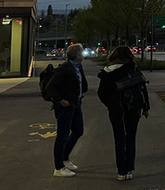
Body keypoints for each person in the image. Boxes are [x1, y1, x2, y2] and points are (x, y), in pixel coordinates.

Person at [97, 46, 150, 181]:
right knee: (131, 138)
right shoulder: (132, 69)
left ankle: (121, 172)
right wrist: (146, 107)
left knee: (119, 140)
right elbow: (142, 87)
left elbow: (101, 93)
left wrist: (110, 104)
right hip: (133, 108)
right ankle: (130, 169)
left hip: (116, 110)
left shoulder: (107, 73)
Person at [45, 43, 88, 178]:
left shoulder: (77, 67)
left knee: (78, 131)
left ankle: (64, 158)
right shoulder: (65, 68)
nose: (84, 55)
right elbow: (50, 87)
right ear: (76, 55)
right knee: (62, 135)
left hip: (76, 104)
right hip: (66, 106)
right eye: (82, 53)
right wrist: (61, 100)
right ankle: (58, 167)